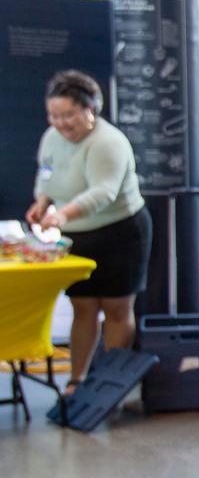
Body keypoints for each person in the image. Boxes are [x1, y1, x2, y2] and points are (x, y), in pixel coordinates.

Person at [26, 69, 151, 394]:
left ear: (90, 109)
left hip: (121, 233)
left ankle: (111, 386)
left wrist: (61, 215)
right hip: (79, 234)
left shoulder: (108, 143)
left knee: (116, 309)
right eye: (54, 115)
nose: (60, 122)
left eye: (68, 114)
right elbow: (47, 176)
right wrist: (43, 203)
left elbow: (103, 193)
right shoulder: (51, 138)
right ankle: (77, 380)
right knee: (83, 308)